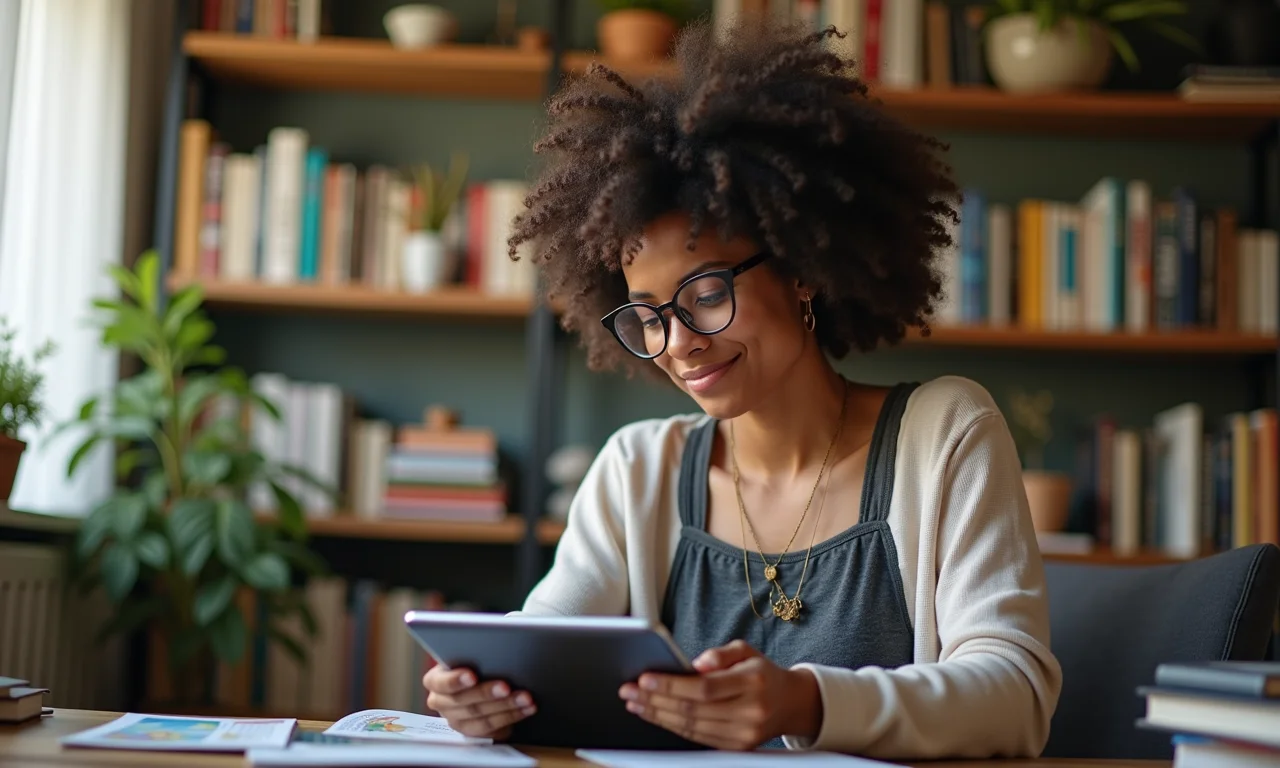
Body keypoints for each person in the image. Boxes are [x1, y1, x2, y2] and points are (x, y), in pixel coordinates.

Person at [421, 16, 1062, 760]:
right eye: (649, 315)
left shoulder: (944, 435)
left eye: (706, 294)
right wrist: (487, 694)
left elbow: (1015, 696)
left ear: (803, 270)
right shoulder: (638, 469)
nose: (679, 342)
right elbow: (542, 646)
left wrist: (805, 702)